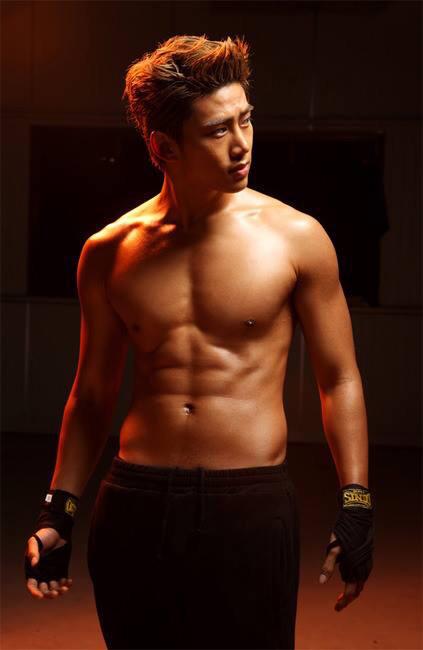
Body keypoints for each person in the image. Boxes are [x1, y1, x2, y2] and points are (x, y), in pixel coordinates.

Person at [24, 34, 374, 650]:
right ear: (163, 146)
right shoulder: (109, 252)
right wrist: (60, 510)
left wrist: (357, 502)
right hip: (135, 502)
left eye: (246, 120)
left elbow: (339, 378)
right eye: (217, 131)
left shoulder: (296, 239)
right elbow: (92, 394)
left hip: (249, 503)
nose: (242, 145)